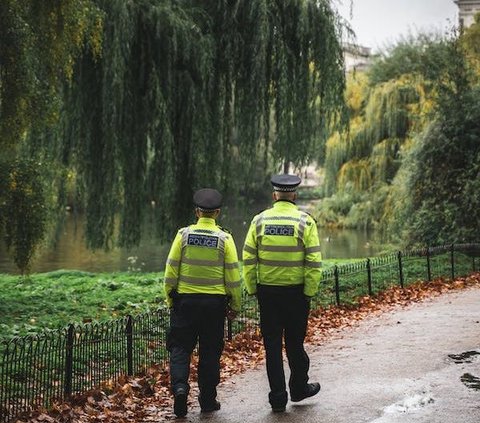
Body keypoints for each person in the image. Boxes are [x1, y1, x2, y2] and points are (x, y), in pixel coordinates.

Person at [242, 174, 322, 412]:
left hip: (268, 294)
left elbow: (248, 258)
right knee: (295, 344)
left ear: (274, 195)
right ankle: (298, 387)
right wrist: (308, 291)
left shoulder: (259, 221)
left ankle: (278, 398)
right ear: (294, 195)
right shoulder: (305, 222)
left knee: (273, 347)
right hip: (297, 294)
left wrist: (252, 287)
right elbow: (314, 261)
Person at [164, 188, 242, 417]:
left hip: (185, 303)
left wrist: (170, 298)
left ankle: (179, 388)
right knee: (209, 352)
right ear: (216, 213)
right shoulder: (225, 239)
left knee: (180, 348)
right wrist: (234, 306)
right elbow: (233, 277)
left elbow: (171, 271)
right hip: (213, 306)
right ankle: (208, 400)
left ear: (197, 212)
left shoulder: (183, 236)